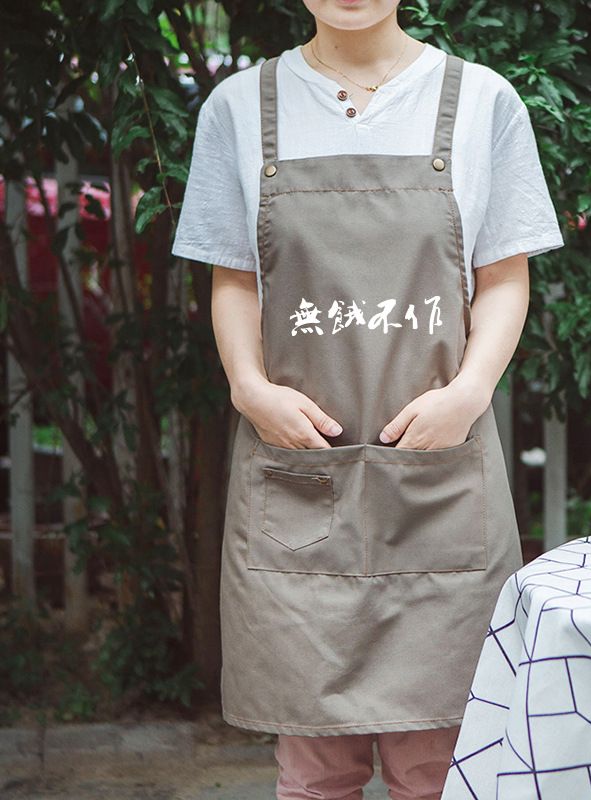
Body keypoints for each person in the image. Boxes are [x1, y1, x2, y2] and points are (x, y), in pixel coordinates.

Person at [171, 0, 563, 797]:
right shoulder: (240, 108)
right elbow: (234, 279)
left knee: (437, 766)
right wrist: (250, 389)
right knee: (315, 768)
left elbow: (504, 276)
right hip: (300, 470)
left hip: (438, 474)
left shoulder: (484, 100)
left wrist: (470, 390)